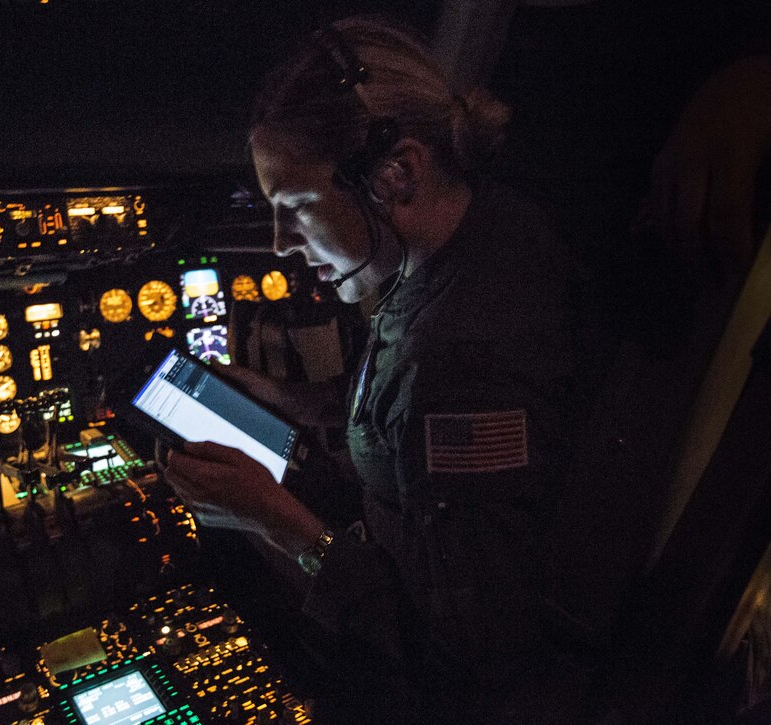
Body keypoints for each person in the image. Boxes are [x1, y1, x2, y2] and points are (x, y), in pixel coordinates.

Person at [163, 16, 593, 723]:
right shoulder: (472, 244)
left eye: (296, 207)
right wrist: (292, 400)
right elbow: (397, 401)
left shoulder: (463, 365)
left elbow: (468, 657)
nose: (280, 245)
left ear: (398, 173)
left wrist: (278, 521)